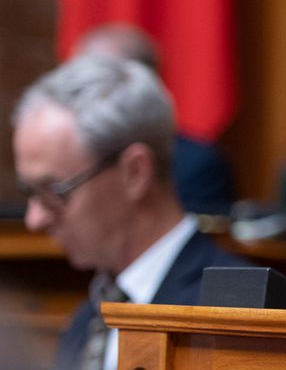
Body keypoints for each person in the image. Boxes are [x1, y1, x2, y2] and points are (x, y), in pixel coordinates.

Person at [11, 55, 249, 370]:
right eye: (30, 193)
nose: (35, 219)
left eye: (54, 191)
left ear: (135, 172)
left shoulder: (240, 315)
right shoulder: (86, 322)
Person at [73, 23, 236, 215]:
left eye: (93, 86)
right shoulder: (68, 157)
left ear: (144, 87)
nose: (76, 99)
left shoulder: (197, 166)